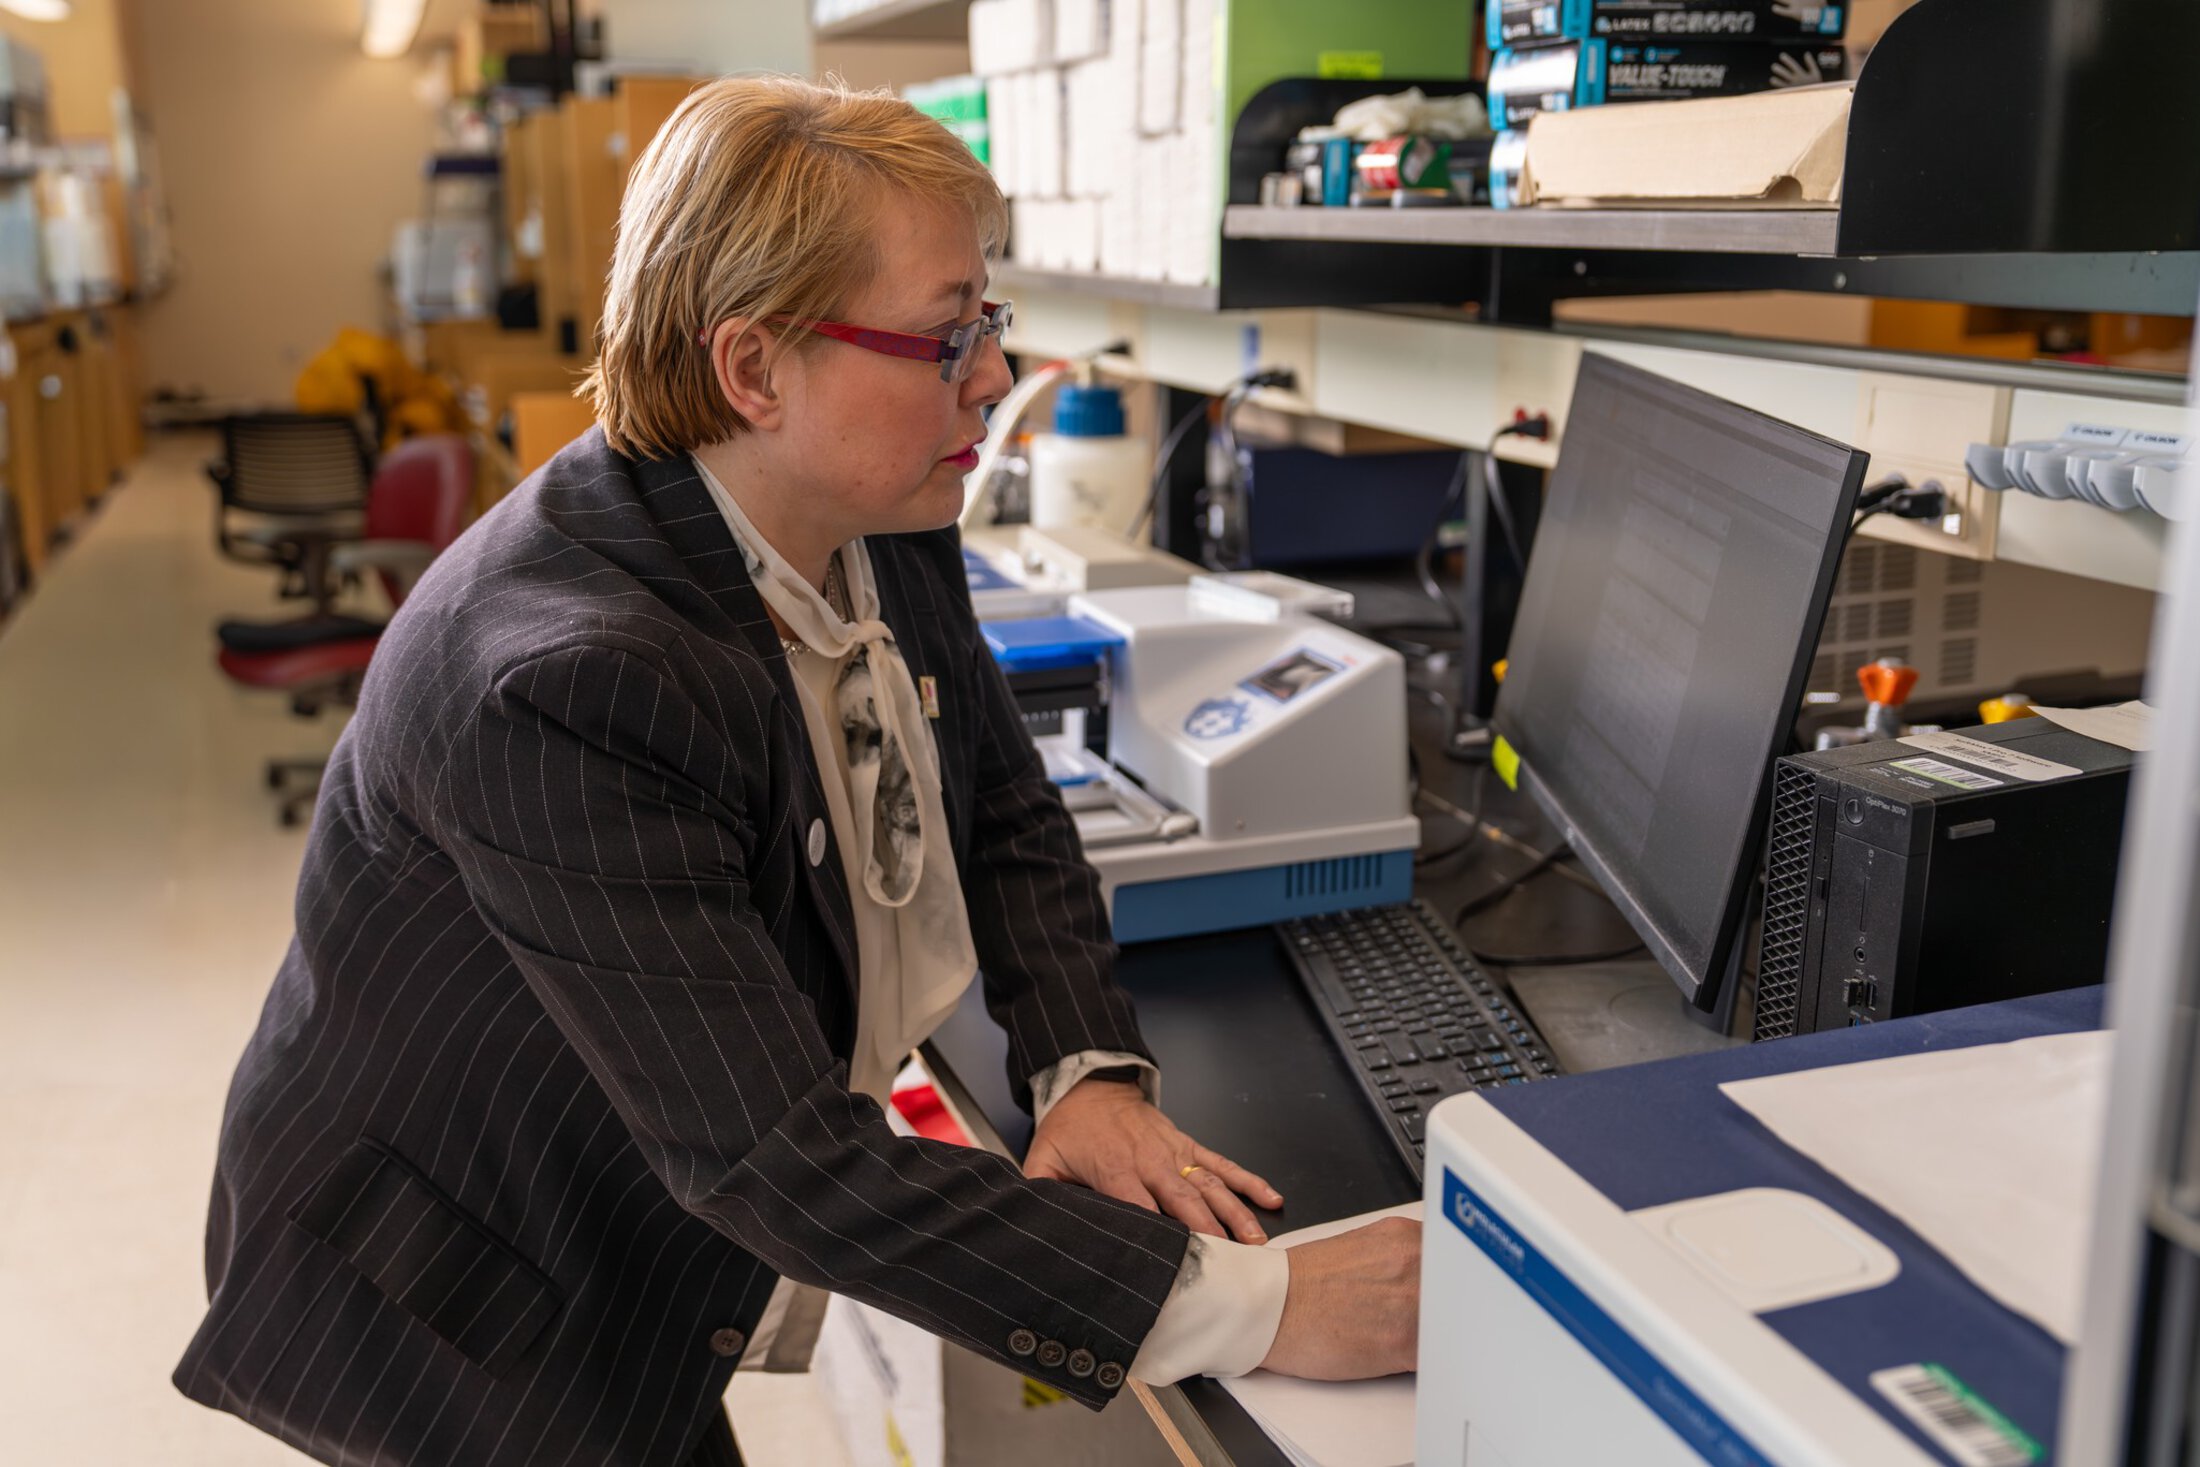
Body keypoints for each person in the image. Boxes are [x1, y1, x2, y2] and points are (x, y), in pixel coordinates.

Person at [174, 76, 1418, 1467]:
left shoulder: (866, 495)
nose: (995, 378)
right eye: (948, 337)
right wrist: (1261, 1306)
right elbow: (770, 1159)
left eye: (988, 323)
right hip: (459, 1288)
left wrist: (1085, 1069)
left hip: (630, 1186)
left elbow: (998, 798)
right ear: (753, 368)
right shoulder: (562, 679)